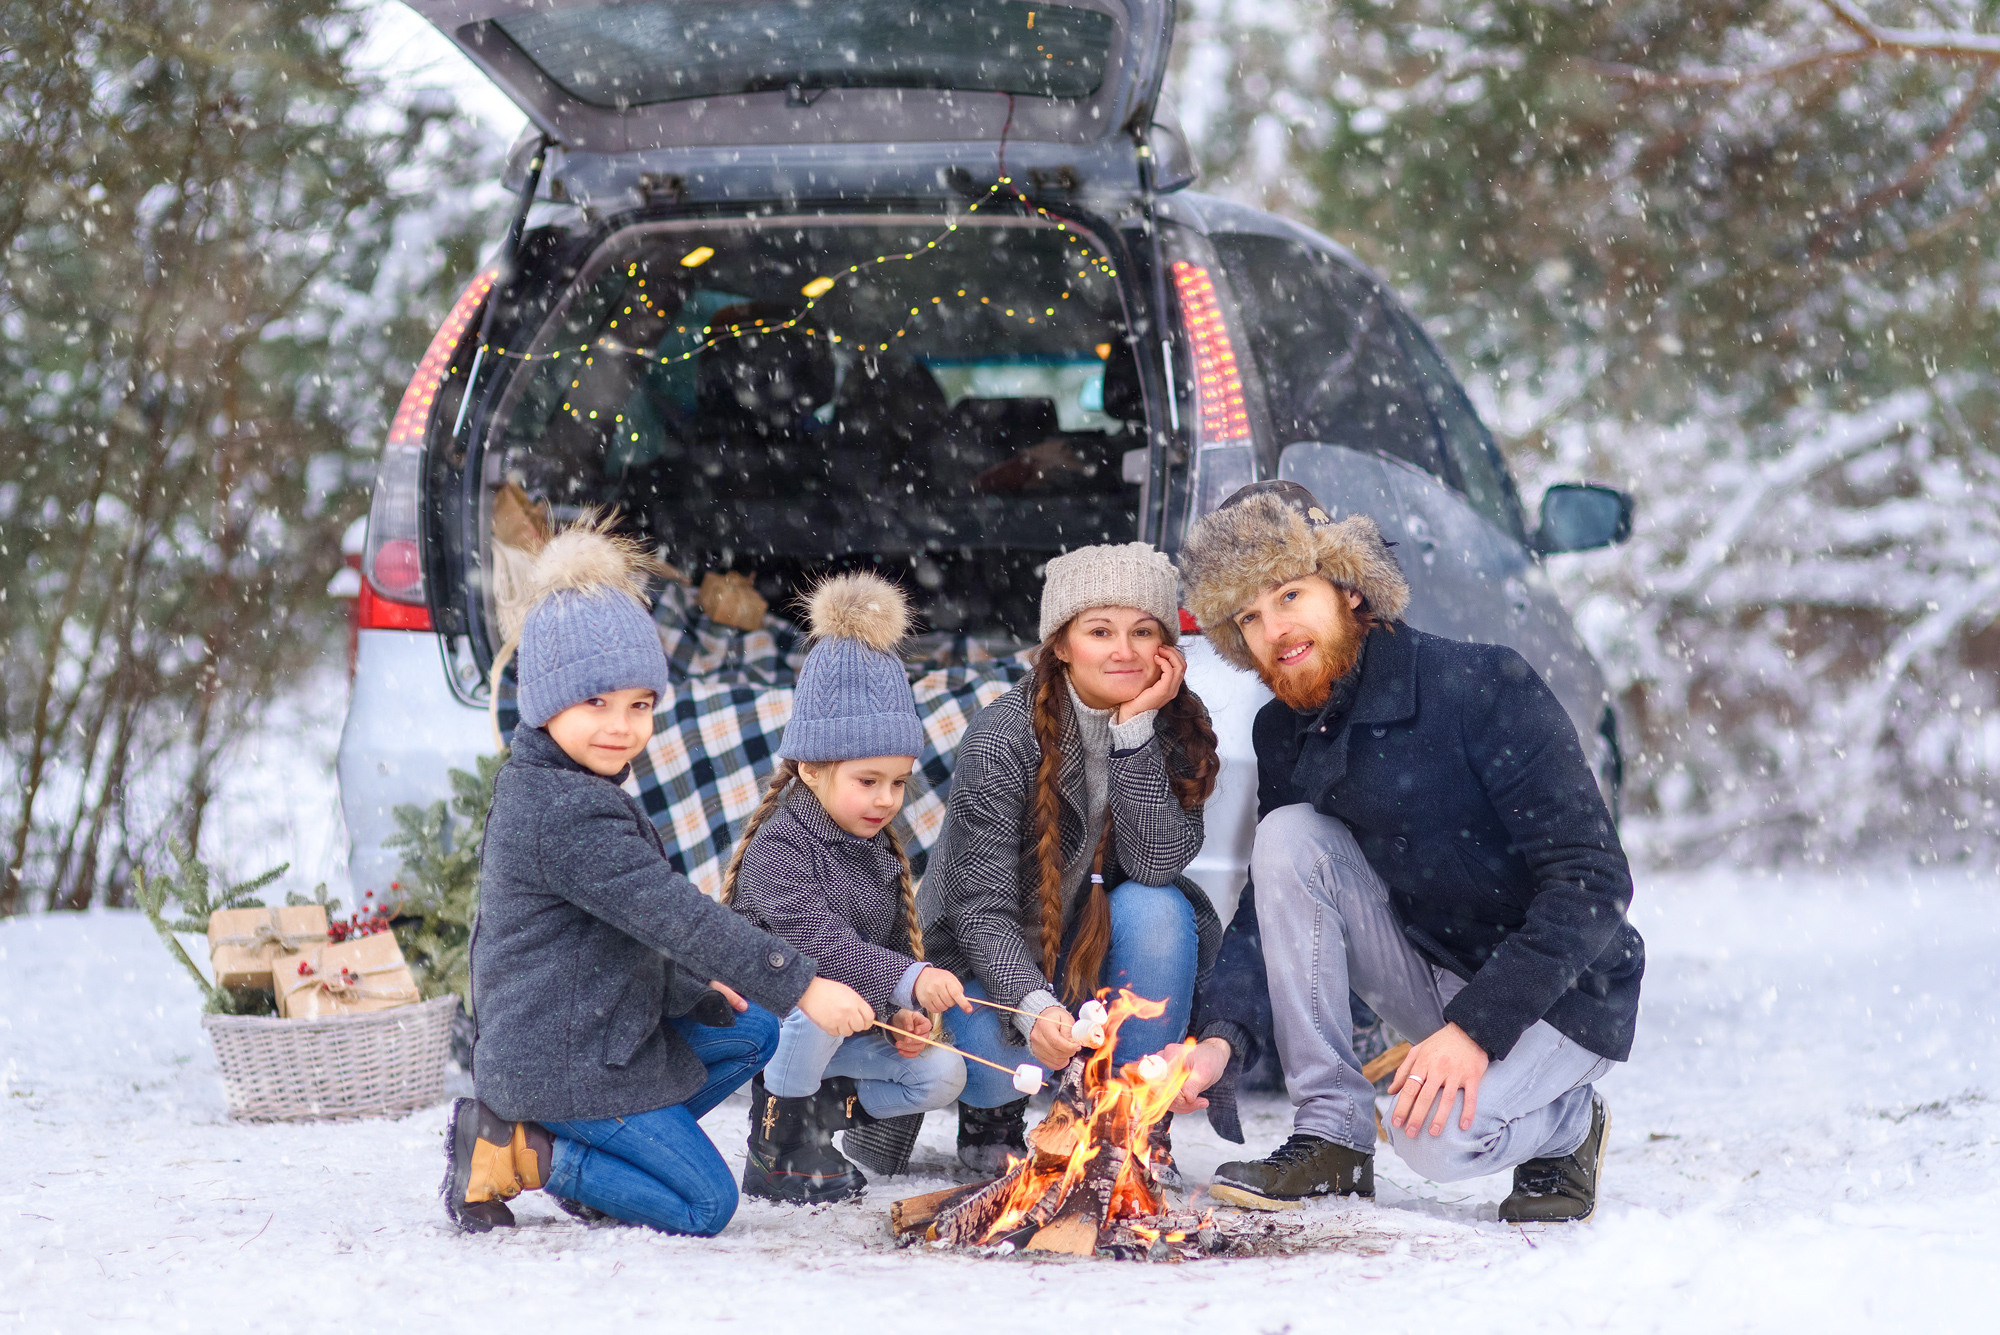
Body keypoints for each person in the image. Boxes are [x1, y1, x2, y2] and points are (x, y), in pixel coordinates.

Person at [1172, 482, 1642, 1223]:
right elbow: (1273, 905)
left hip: (1563, 990)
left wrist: (1478, 1027)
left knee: (1435, 1141)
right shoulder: (1285, 731)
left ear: (1350, 588)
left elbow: (1593, 881)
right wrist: (1221, 1037)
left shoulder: (1483, 685)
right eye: (1249, 617)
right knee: (1288, 836)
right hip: (1431, 967)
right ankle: (1332, 1136)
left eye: (1289, 594)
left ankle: (1571, 1122)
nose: (1274, 630)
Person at [441, 516, 875, 1235]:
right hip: (564, 1060)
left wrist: (693, 991)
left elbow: (606, 934)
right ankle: (525, 1151)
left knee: (750, 1027)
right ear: (544, 700)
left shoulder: (567, 779)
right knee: (706, 1205)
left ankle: (617, 1169)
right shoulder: (564, 810)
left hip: (591, 1028)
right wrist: (802, 980)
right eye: (596, 703)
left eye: (639, 704)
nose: (621, 725)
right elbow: (673, 914)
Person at [921, 541, 1222, 1175]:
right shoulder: (1003, 737)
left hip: (1092, 959)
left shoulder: (1171, 729)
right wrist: (1033, 1008)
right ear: (1061, 644)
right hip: (992, 970)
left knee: (1161, 906)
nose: (1124, 650)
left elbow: (1156, 863)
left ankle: (1132, 1118)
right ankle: (991, 1114)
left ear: (1168, 648)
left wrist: (1135, 730)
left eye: (1144, 632)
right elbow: (979, 909)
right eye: (1100, 630)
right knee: (992, 1072)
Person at [724, 572, 971, 1203]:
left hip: (842, 1035)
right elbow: (821, 942)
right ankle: (773, 1145)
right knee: (818, 997)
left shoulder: (877, 852)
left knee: (943, 1072)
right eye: (868, 781)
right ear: (810, 767)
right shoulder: (779, 847)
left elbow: (885, 942)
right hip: (782, 1028)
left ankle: (816, 1122)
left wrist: (900, 1015)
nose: (887, 800)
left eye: (898, 782)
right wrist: (906, 978)